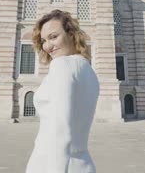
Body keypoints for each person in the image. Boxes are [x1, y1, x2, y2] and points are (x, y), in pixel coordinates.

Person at [26, 10, 99, 173]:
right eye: (43, 40)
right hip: (82, 163)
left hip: (51, 164)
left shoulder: (61, 66)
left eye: (53, 37)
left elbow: (61, 132)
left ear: (71, 34)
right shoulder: (89, 71)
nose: (47, 46)